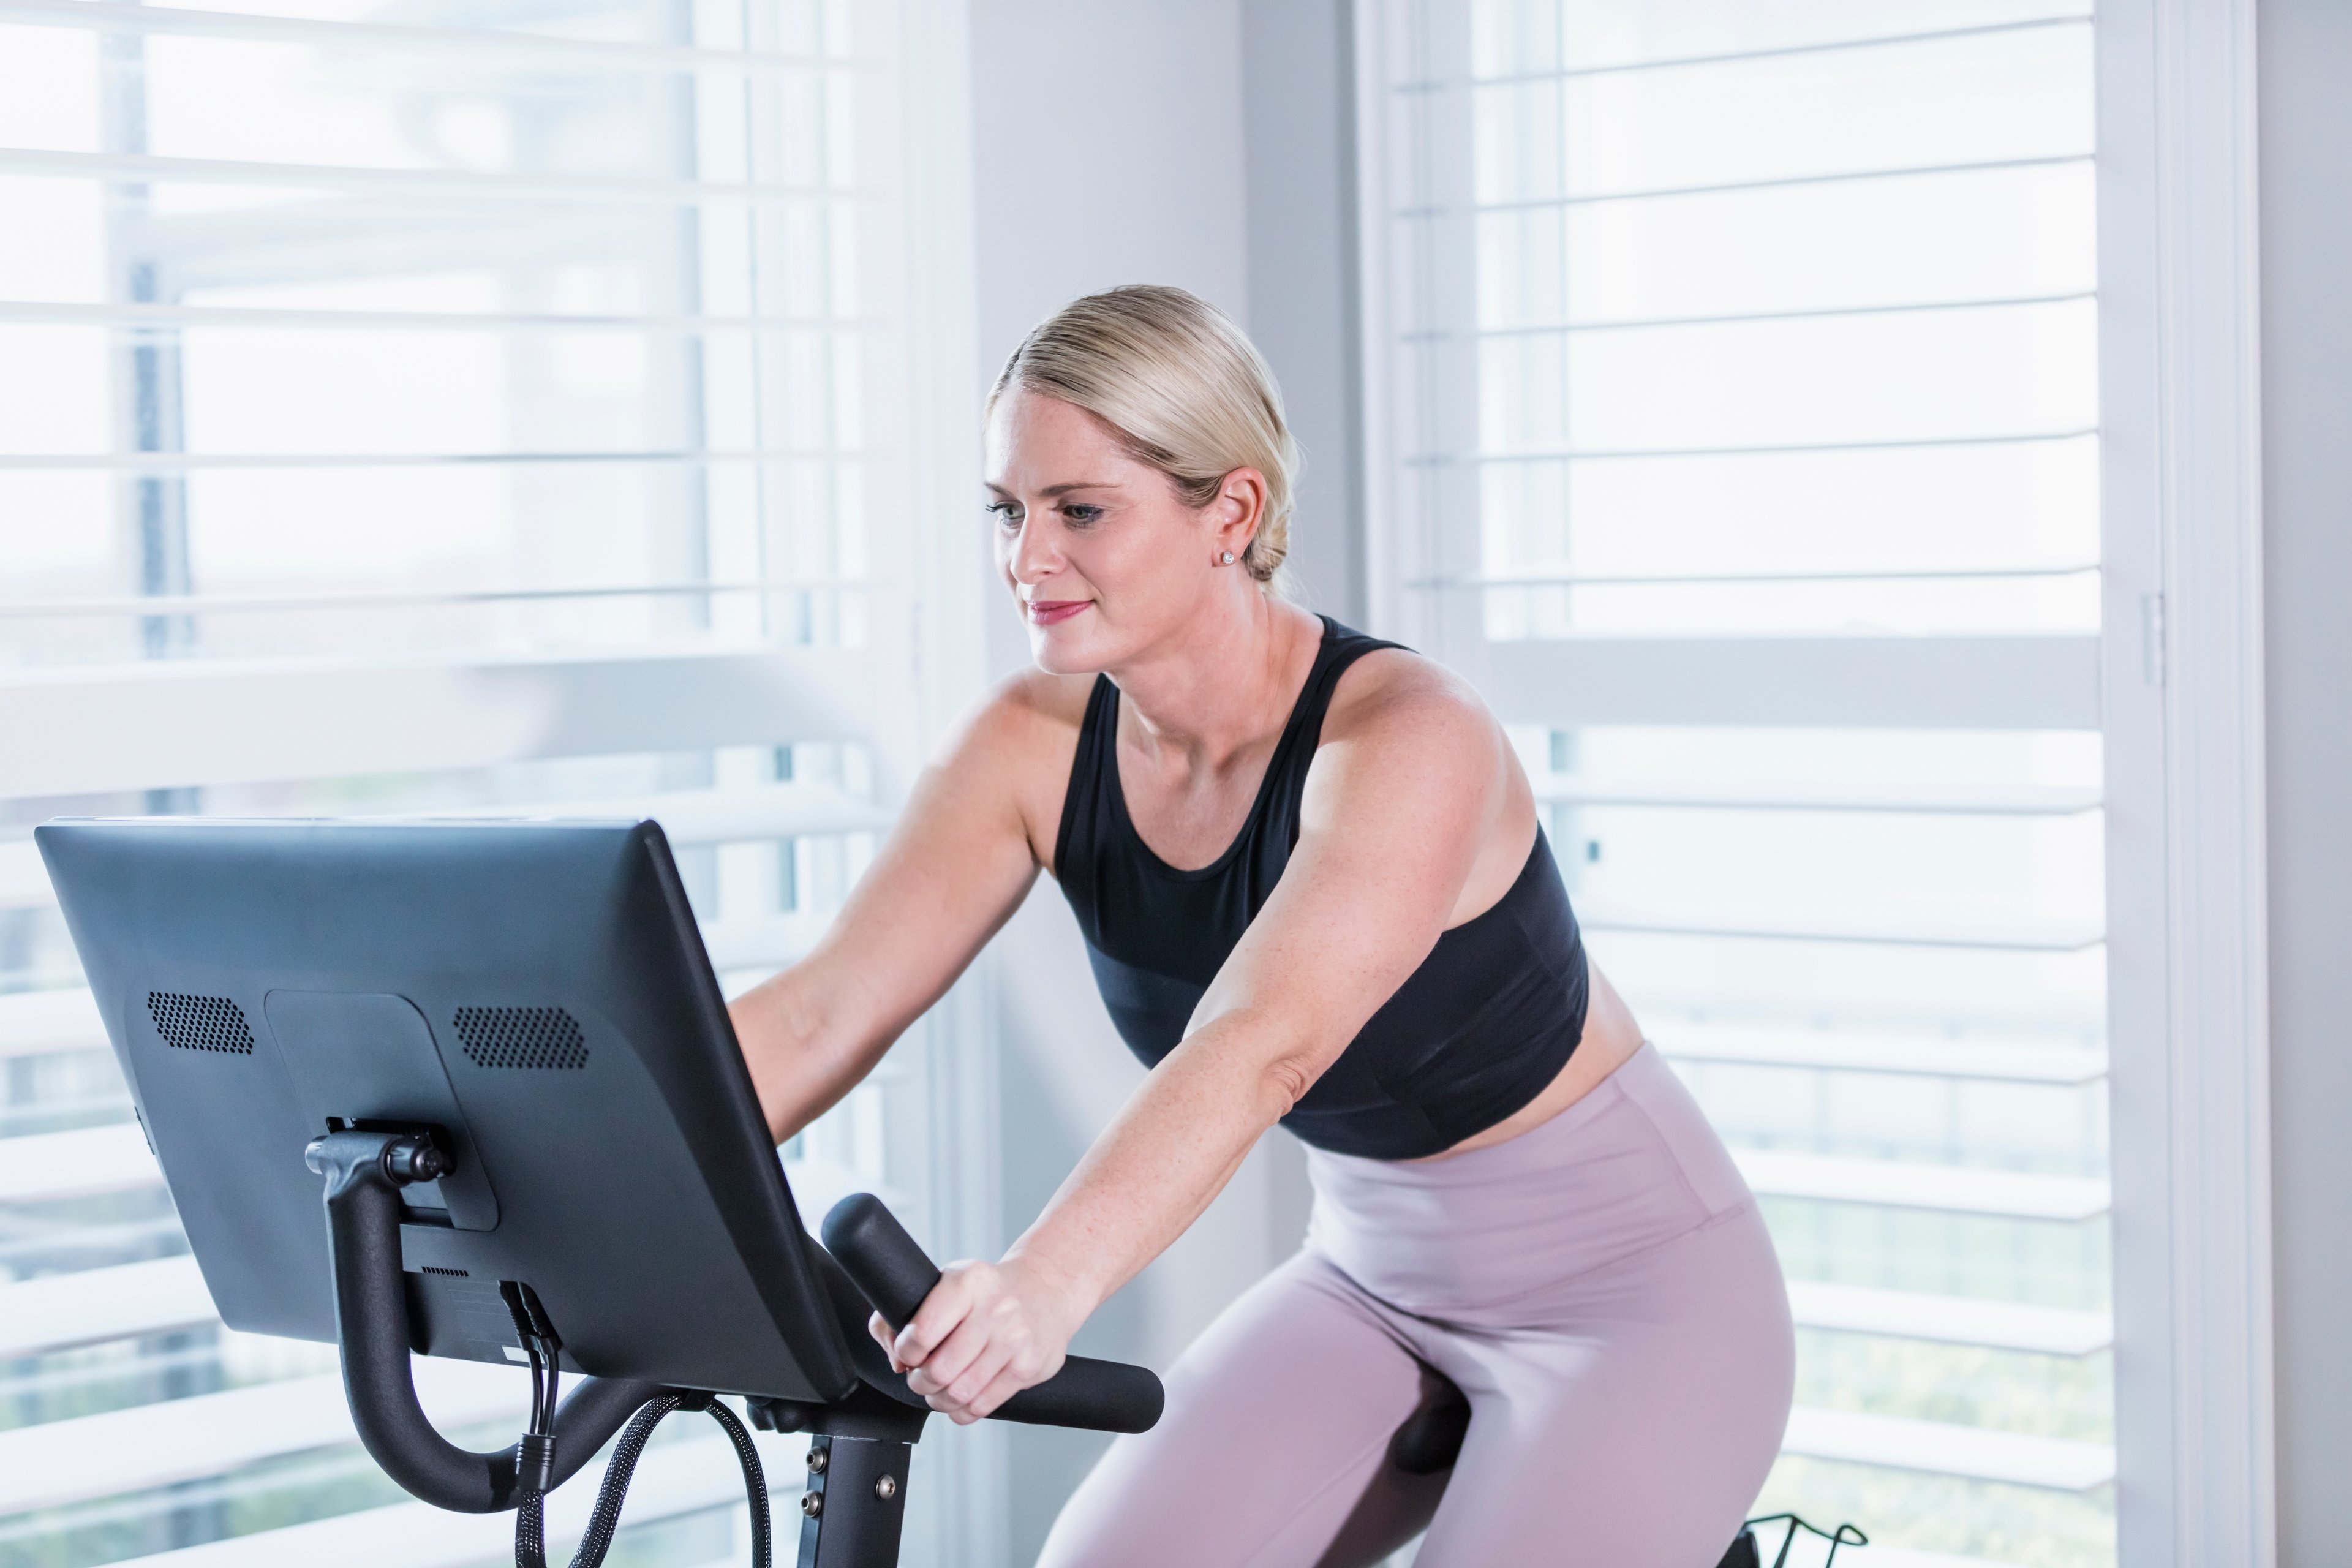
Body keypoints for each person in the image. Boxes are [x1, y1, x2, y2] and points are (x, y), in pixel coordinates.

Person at [729, 285, 1795, 1566]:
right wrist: (559, 1161)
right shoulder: (1030, 745)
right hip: (1372, 1277)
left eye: (1080, 511)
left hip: (1634, 1297)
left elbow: (1260, 1042)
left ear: (1230, 511)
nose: (1027, 558)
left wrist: (1046, 1283)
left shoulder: (1406, 736)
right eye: (1009, 511)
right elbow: (820, 1011)